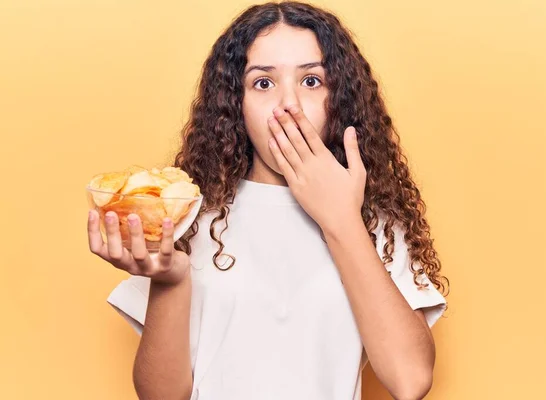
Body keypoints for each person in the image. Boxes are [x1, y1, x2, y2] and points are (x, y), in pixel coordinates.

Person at [87, 1, 450, 399]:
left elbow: (410, 379)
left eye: (311, 81)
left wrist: (341, 220)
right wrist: (170, 280)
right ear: (235, 105)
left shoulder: (369, 220)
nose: (288, 105)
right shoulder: (188, 216)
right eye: (263, 83)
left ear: (339, 99)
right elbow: (161, 396)